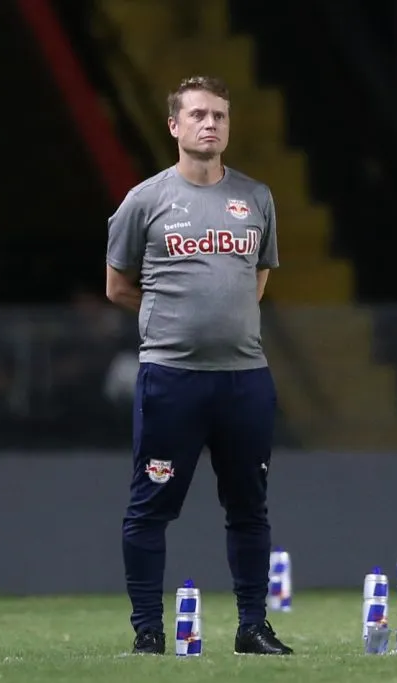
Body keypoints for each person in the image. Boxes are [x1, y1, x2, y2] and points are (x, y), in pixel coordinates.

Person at [105, 75, 293, 656]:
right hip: (171, 379)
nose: (210, 124)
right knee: (150, 507)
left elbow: (256, 280)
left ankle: (252, 627)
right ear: (174, 126)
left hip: (244, 379)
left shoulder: (257, 198)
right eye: (198, 115)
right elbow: (117, 286)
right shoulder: (145, 200)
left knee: (249, 508)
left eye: (219, 116)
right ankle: (147, 631)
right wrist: (174, 313)